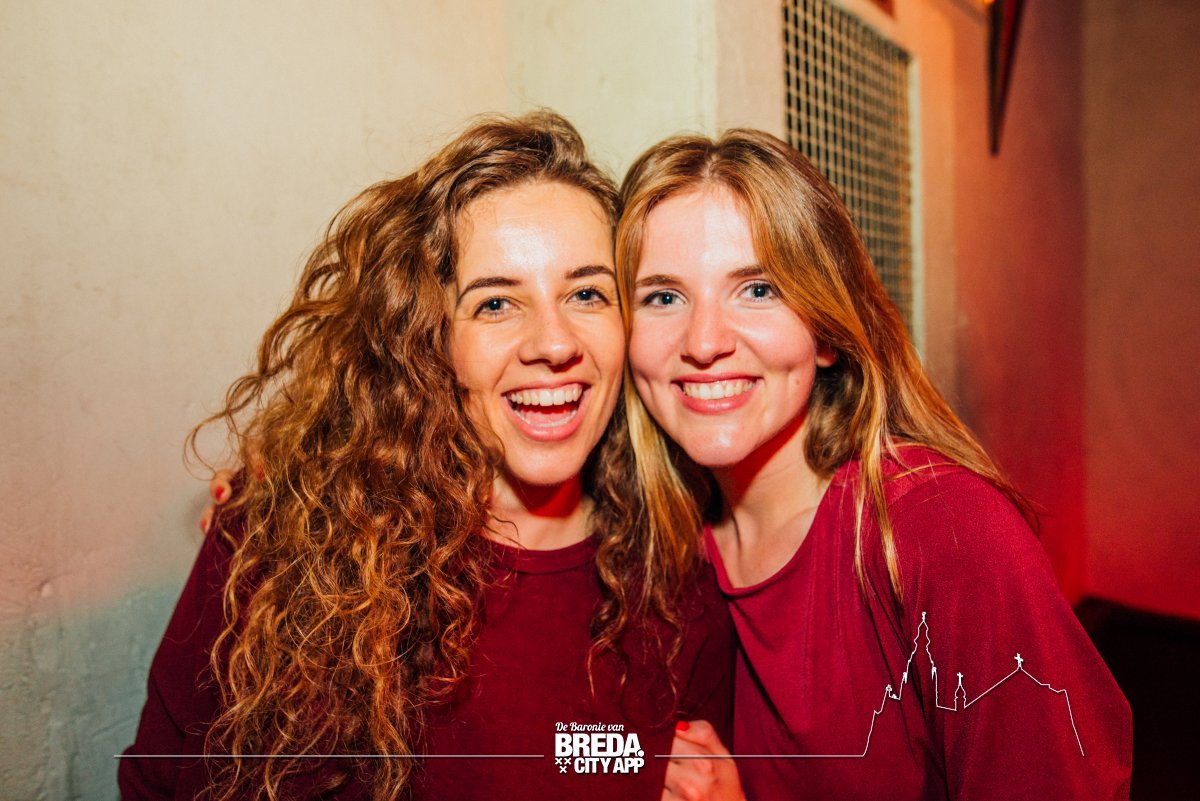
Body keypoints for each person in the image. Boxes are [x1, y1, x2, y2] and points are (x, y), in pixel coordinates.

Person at [119, 112, 734, 801]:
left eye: (587, 293)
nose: (554, 343)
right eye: (496, 303)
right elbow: (156, 783)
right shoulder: (281, 545)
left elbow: (591, 757)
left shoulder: (679, 595)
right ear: (429, 336)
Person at [615, 129, 1133, 800]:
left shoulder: (944, 533)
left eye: (759, 289)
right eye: (663, 297)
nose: (704, 341)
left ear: (826, 332)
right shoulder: (654, 547)